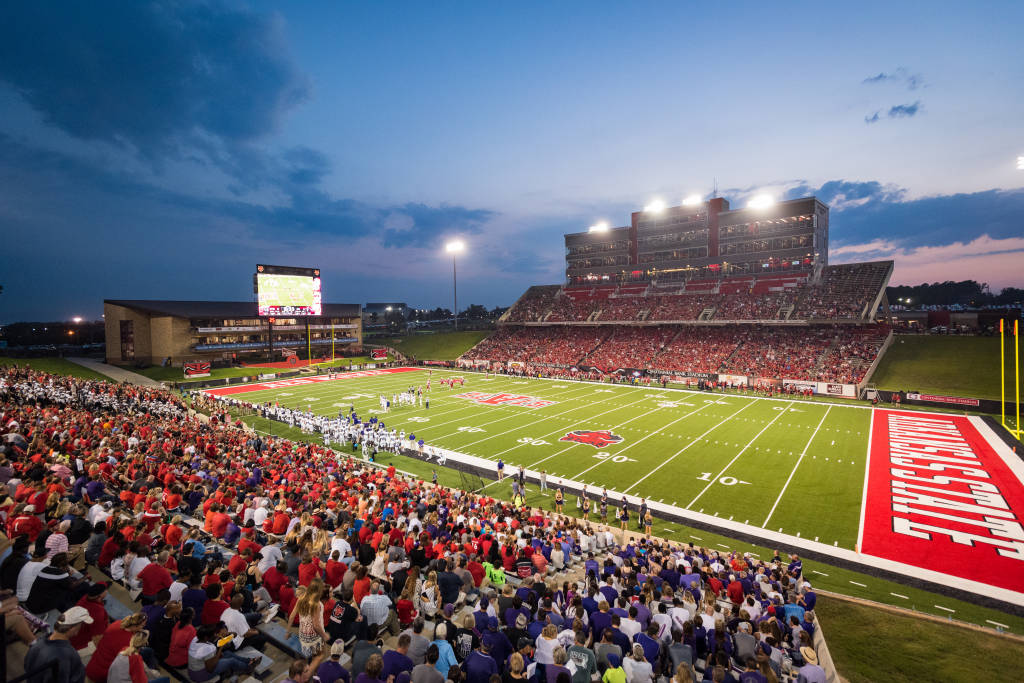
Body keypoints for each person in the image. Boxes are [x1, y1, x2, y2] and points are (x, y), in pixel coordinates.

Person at [23, 605, 91, 683]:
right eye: (81, 625)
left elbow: (27, 665)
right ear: (73, 629)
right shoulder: (67, 655)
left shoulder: (38, 642)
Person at [288, 578, 330, 658]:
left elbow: (292, 616)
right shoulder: (316, 604)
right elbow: (316, 625)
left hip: (303, 634)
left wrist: (287, 631)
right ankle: (311, 669)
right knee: (321, 655)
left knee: (315, 655)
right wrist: (324, 635)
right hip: (313, 637)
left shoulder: (302, 598)